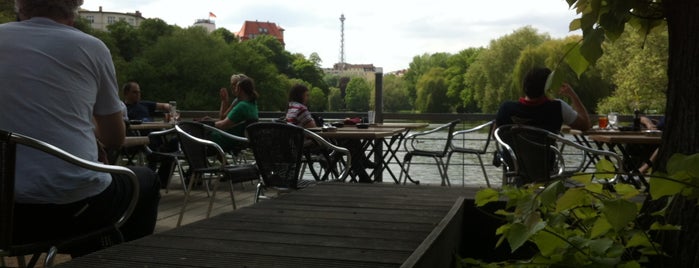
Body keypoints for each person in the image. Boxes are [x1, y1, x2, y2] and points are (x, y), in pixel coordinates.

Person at [0, 0, 160, 257]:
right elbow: (115, 138)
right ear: (74, 10)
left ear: (19, 6)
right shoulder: (90, 47)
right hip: (70, 213)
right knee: (146, 181)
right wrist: (87, 135)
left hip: (5, 218)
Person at [285, 84, 373, 183]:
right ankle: (362, 169)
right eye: (306, 95)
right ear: (300, 96)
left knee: (350, 141)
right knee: (351, 140)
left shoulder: (291, 108)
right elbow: (313, 128)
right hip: (310, 144)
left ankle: (362, 173)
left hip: (298, 144)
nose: (307, 98)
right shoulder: (301, 109)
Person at [495, 67, 591, 133]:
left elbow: (495, 136)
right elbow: (585, 126)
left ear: (524, 85)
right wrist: (572, 95)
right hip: (545, 162)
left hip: (511, 162)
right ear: (548, 88)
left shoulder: (506, 108)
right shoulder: (557, 107)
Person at [122, 81, 177, 188]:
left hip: (158, 136)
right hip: (140, 140)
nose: (138, 94)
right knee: (159, 152)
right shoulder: (122, 108)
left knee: (176, 142)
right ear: (126, 93)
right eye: (134, 92)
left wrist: (171, 109)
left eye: (139, 92)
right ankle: (154, 170)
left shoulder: (143, 104)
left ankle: (160, 180)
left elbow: (166, 106)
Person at [211, 77, 259, 152]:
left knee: (199, 133)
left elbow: (223, 125)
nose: (234, 89)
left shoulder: (242, 106)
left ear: (239, 89)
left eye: (236, 87)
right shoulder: (253, 105)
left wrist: (207, 124)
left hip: (229, 140)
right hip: (240, 141)